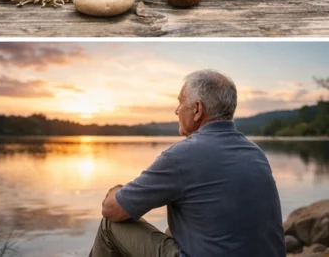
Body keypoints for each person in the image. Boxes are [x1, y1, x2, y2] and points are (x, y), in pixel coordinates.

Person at [90, 70, 285, 257]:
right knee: (175, 230)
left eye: (180, 102)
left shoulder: (182, 156)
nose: (177, 110)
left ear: (197, 109)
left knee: (110, 226)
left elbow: (111, 210)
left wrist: (116, 191)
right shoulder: (255, 153)